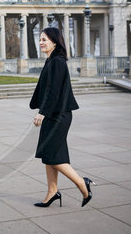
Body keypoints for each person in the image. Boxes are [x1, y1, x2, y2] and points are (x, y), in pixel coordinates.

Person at [30, 27, 95, 208]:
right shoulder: (51, 61)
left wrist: (42, 112)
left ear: (55, 42)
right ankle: (52, 192)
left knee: (52, 155)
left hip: (58, 115)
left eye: (44, 39)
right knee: (50, 155)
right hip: (54, 114)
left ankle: (83, 183)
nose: (41, 42)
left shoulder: (57, 62)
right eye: (40, 39)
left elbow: (54, 91)